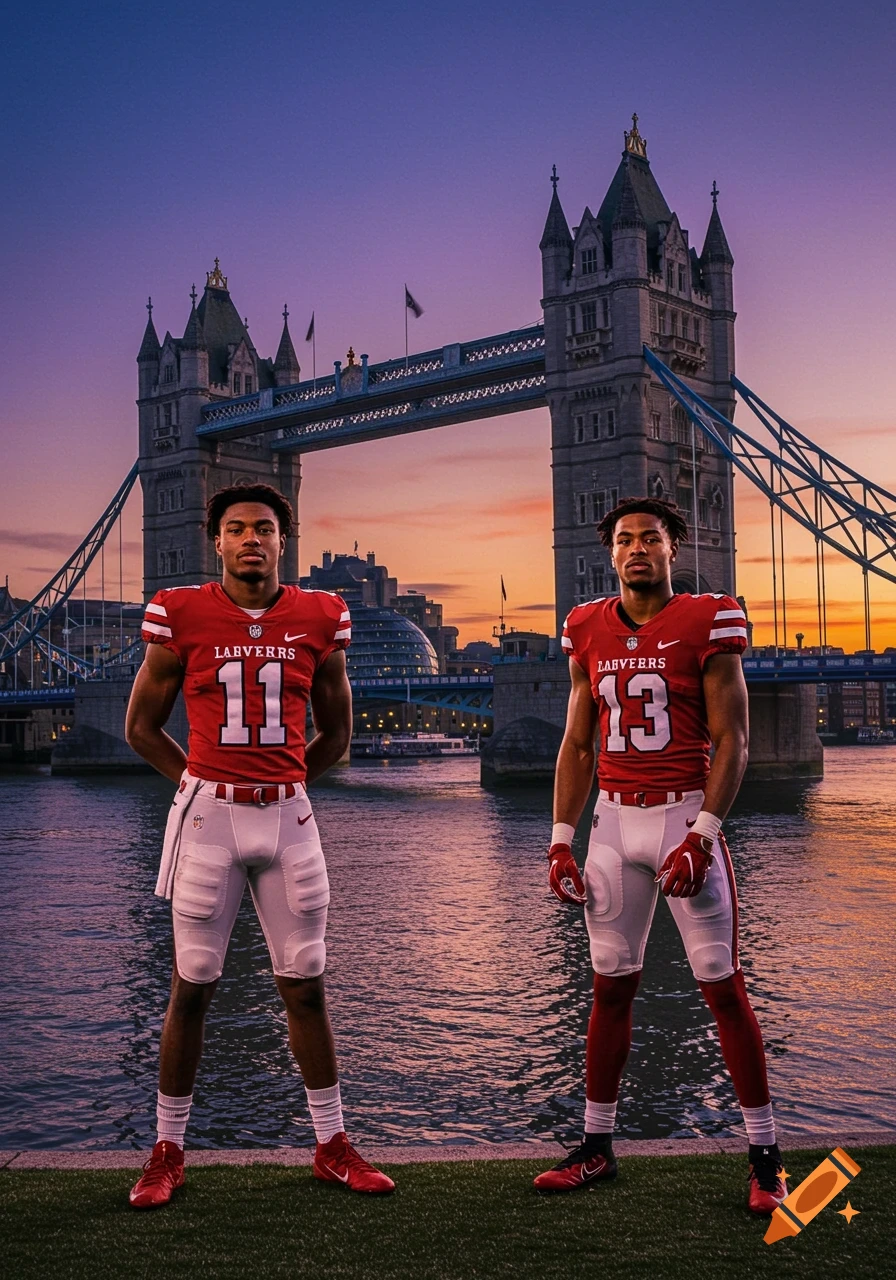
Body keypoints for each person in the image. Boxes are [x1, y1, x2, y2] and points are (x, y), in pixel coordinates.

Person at [125, 483, 393, 1208]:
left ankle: (332, 1145)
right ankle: (167, 1151)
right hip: (209, 818)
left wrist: (288, 779)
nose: (251, 539)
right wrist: (201, 784)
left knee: (305, 985)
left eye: (265, 529)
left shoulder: (320, 613)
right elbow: (142, 729)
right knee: (193, 986)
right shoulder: (179, 611)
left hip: (288, 820)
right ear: (217, 541)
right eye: (237, 528)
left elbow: (338, 734)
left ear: (285, 539)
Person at [535, 496, 786, 1215]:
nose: (637, 548)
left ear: (675, 549)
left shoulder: (709, 617)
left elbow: (734, 739)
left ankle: (766, 1162)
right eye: (624, 540)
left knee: (722, 987)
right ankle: (595, 1149)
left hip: (682, 815)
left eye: (651, 538)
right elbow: (578, 743)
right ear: (609, 554)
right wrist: (559, 838)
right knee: (610, 988)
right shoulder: (585, 627)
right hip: (613, 826)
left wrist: (702, 834)